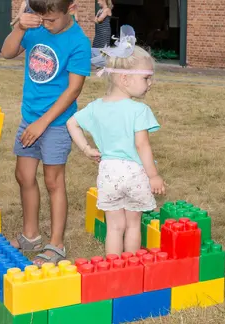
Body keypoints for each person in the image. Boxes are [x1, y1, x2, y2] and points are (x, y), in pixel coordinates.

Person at [1, 0, 91, 265]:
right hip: (30, 118)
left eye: (51, 19)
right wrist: (19, 27)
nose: (46, 24)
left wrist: (43, 123)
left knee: (53, 181)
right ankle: (30, 236)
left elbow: (73, 90)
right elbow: (7, 52)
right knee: (23, 175)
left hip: (57, 123)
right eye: (41, 18)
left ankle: (56, 244)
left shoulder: (78, 42)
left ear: (71, 8)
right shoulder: (35, 26)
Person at [67, 25, 166, 255]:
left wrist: (86, 148)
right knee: (132, 225)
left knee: (114, 227)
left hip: (108, 173)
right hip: (134, 174)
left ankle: (113, 268)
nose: (150, 83)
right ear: (124, 79)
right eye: (146, 78)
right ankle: (130, 267)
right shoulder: (138, 111)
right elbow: (142, 145)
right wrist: (153, 176)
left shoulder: (95, 107)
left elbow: (72, 123)